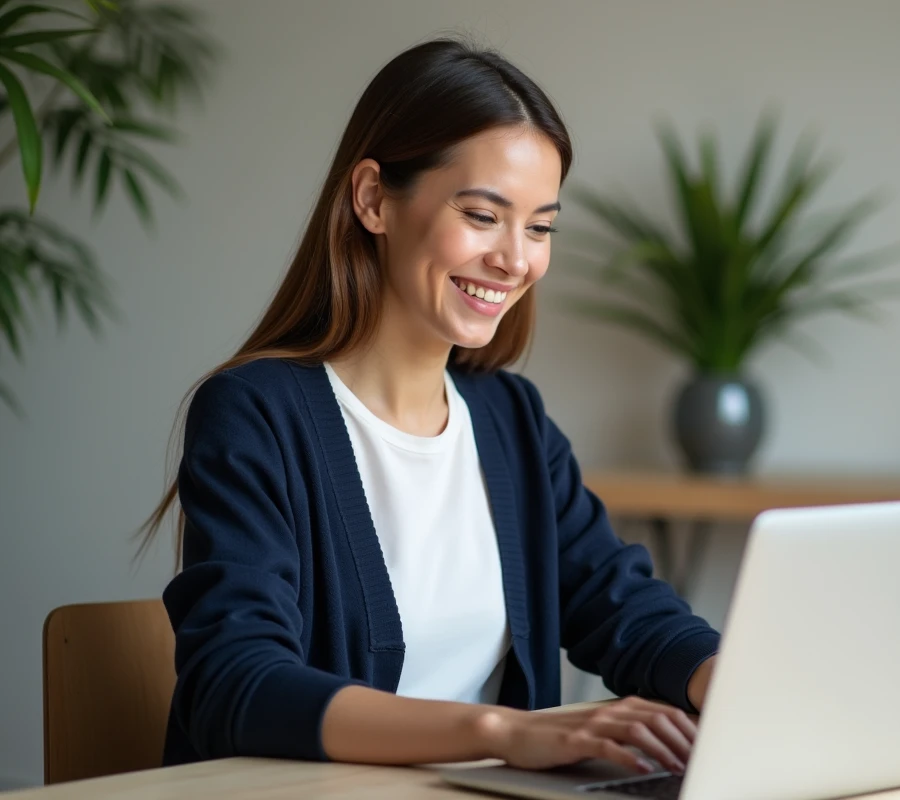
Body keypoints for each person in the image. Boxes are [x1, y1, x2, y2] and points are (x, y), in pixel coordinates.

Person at [138, 38, 720, 777]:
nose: (516, 259)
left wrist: (731, 680)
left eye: (540, 227)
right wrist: (502, 732)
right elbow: (236, 686)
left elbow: (620, 605)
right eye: (482, 215)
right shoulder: (256, 414)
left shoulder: (511, 419)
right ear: (373, 199)